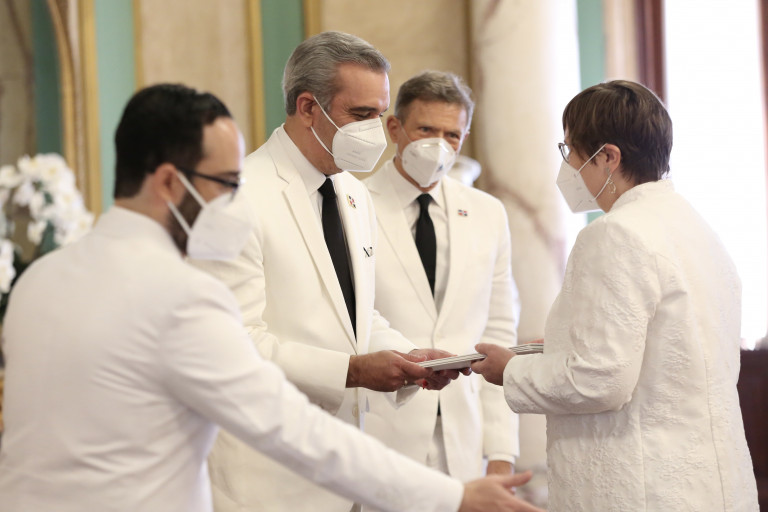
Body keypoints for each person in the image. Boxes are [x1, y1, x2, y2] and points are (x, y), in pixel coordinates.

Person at [0, 83, 543, 512]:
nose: (235, 200)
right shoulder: (180, 296)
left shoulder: (40, 279)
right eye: (225, 182)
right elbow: (290, 427)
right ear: (168, 182)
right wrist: (452, 496)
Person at [191, 32, 466, 512]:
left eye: (380, 114)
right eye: (360, 114)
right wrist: (353, 371)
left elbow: (357, 315)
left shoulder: (353, 193)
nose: (375, 131)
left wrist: (408, 358)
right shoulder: (239, 198)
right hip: (266, 476)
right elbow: (234, 344)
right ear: (307, 107)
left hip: (343, 464)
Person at [472, 80, 759, 511]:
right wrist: (563, 346)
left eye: (570, 150)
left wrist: (510, 370)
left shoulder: (614, 234)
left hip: (643, 485)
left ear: (608, 157)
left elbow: (600, 380)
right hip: (710, 483)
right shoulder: (698, 229)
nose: (569, 165)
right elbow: (670, 346)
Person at [362, 71, 520, 482]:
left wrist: (501, 451)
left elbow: (499, 329)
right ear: (394, 129)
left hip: (463, 434)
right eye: (426, 130)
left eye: (452, 135)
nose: (439, 144)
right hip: (378, 430)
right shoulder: (354, 204)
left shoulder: (487, 212)